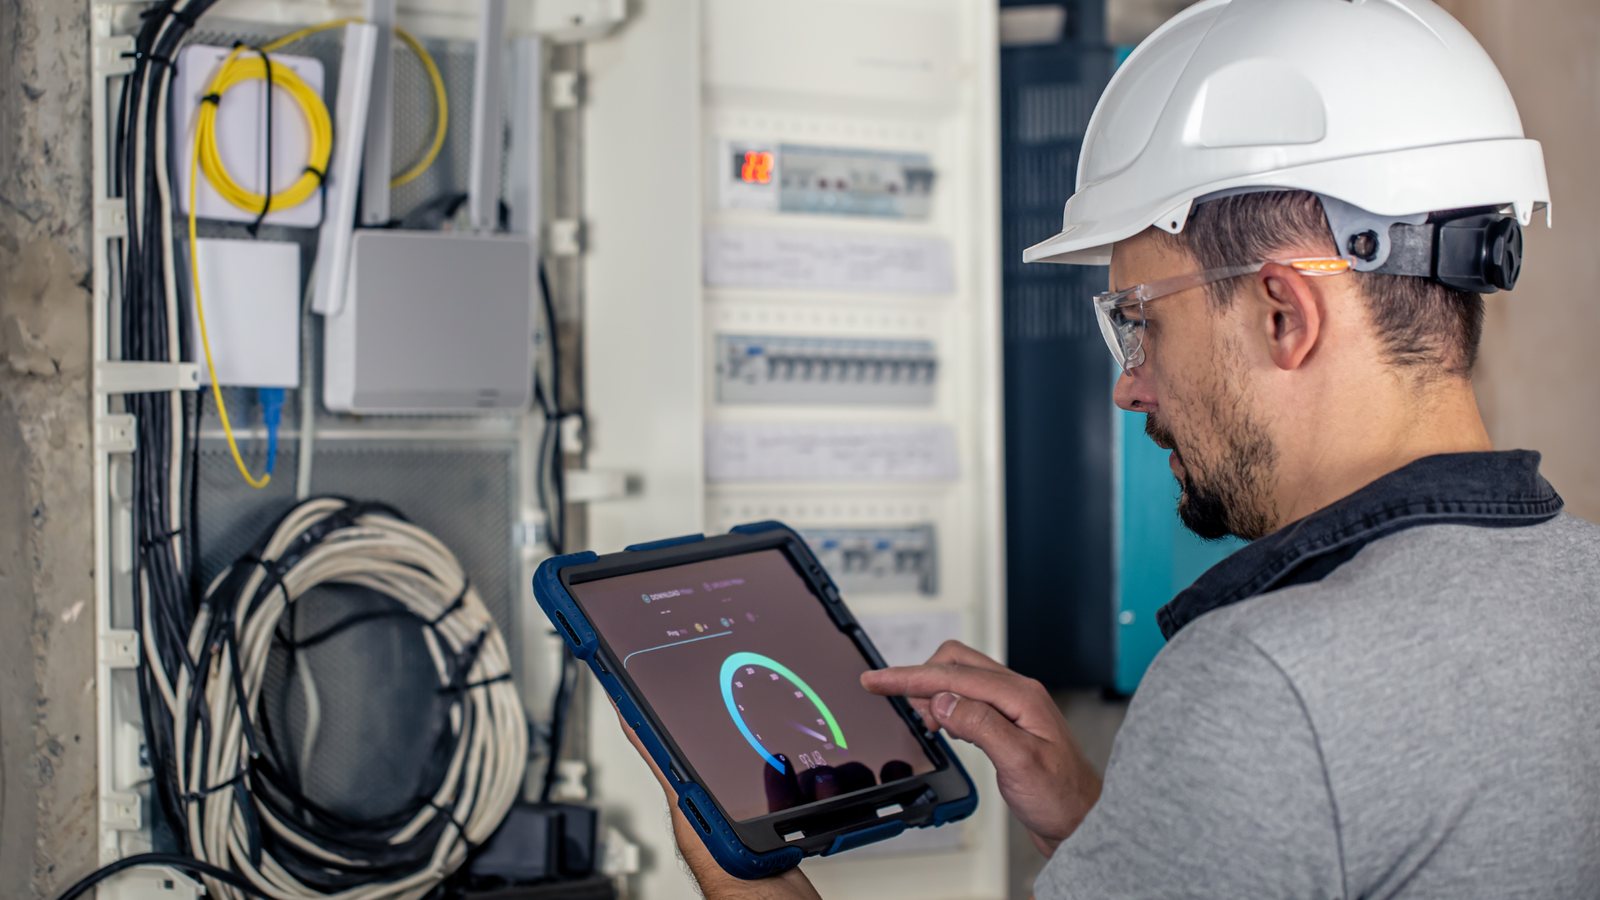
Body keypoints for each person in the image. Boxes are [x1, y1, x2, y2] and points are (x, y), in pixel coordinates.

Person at [618, 0, 1600, 896]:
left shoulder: (1268, 680)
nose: (1129, 384)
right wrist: (1111, 828)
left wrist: (741, 867)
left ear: (1282, 314)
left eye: (1142, 322)